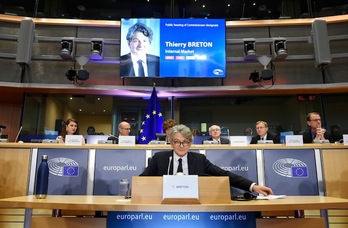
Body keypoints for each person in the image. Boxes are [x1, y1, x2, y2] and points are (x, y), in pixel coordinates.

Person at [141, 124, 273, 196]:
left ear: (190, 144)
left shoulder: (199, 159)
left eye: (185, 142)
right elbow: (142, 180)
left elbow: (224, 174)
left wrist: (253, 186)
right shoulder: (160, 158)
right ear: (171, 143)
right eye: (177, 142)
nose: (181, 146)